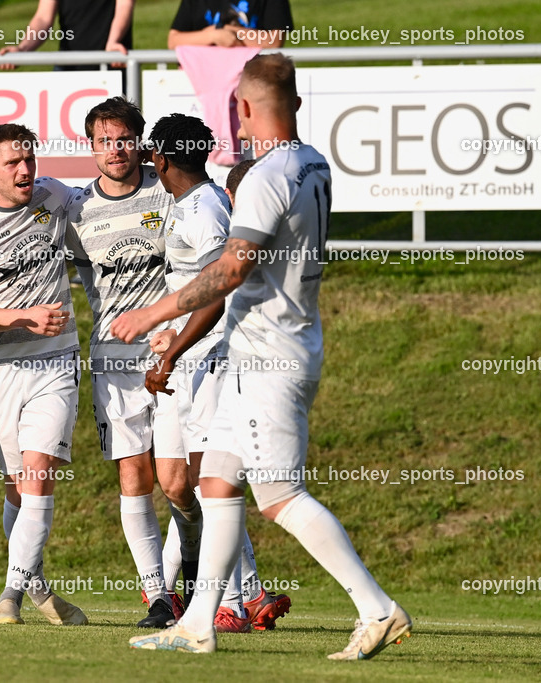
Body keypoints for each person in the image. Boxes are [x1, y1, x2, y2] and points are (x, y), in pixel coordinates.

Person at [116, 53, 411, 658]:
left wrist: (154, 315)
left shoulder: (268, 174)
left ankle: (377, 607)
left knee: (279, 496)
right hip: (269, 346)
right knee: (218, 483)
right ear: (295, 104)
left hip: (268, 357)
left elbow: (231, 267)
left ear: (244, 109)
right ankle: (198, 624)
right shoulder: (313, 161)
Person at [144, 113, 290, 633]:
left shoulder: (205, 210)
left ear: (160, 158)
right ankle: (247, 594)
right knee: (178, 484)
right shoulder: (188, 204)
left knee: (209, 483)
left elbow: (217, 290)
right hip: (187, 359)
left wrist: (175, 348)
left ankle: (237, 598)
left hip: (209, 359)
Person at [0, 123, 87, 626]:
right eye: (12, 163)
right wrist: (21, 316)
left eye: (29, 159)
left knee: (38, 473)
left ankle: (10, 594)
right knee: (16, 488)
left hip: (55, 360)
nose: (26, 170)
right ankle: (40, 587)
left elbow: (110, 203)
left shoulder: (55, 196)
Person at [64, 97, 194, 628]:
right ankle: (158, 597)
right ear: (90, 147)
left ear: (141, 142)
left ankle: (198, 565)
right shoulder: (74, 210)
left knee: (179, 481)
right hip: (113, 363)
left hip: (172, 353)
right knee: (134, 476)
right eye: (105, 141)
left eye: (124, 139)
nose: (116, 150)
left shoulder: (167, 192)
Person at [0, 0, 133, 71]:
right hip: (67, 65)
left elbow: (124, 6)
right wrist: (22, 48)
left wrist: (113, 42)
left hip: (112, 65)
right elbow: (43, 18)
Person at [168, 0, 292, 48]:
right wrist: (213, 36)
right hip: (202, 80)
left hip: (252, 80)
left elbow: (274, 41)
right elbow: (174, 40)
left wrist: (226, 30)